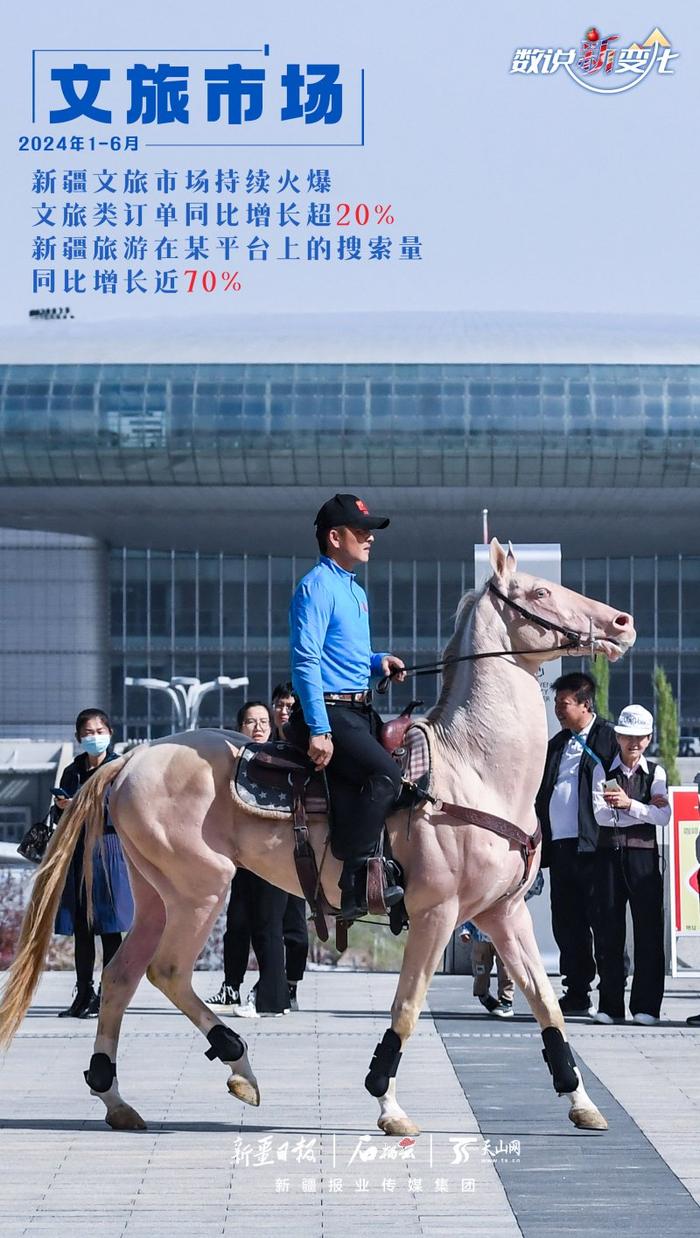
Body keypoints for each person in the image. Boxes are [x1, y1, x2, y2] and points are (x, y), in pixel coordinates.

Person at [287, 492, 418, 920]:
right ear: (334, 537)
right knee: (386, 775)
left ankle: (391, 869)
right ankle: (353, 879)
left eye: (370, 532)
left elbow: (342, 654)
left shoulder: (353, 590)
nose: (370, 539)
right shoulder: (317, 587)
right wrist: (319, 729)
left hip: (357, 709)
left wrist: (378, 661)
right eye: (362, 532)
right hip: (329, 712)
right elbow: (306, 660)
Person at [535, 672, 618, 1016]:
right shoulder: (556, 744)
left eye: (564, 703)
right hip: (563, 848)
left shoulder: (609, 739)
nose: (558, 709)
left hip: (597, 846)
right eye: (555, 703)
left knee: (603, 920)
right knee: (567, 921)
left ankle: (612, 994)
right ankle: (577, 990)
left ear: (585, 704)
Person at [206, 700, 290, 1017]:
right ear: (240, 728)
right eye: (250, 722)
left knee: (268, 925)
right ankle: (231, 987)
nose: (257, 727)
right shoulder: (233, 762)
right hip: (242, 857)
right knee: (238, 923)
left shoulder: (281, 759)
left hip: (275, 856)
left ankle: (273, 996)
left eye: (263, 722)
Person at [591, 705, 670, 1025]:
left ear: (649, 739)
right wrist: (641, 810)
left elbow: (663, 816)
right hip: (608, 857)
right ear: (618, 736)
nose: (633, 743)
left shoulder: (656, 773)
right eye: (627, 737)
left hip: (644, 859)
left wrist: (627, 805)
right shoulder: (603, 771)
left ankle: (647, 1007)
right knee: (609, 930)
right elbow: (600, 815)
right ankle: (610, 1005)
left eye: (640, 737)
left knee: (649, 932)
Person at [54, 709, 134, 1018]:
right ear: (78, 738)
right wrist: (64, 807)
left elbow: (122, 810)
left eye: (100, 730)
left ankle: (108, 993)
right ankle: (83, 990)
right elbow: (62, 817)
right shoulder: (73, 770)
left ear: (111, 732)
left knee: (110, 928)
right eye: (88, 732)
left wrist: (85, 806)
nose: (94, 737)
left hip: (109, 850)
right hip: (78, 851)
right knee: (83, 928)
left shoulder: (118, 768)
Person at [272, 681, 309, 1012]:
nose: (283, 711)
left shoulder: (309, 747)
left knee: (295, 925)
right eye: (279, 705)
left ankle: (292, 984)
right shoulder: (265, 749)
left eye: (290, 707)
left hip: (298, 848)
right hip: (262, 847)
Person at [459, 921, 514, 1017]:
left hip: (503, 936)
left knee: (505, 968)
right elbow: (470, 910)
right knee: (480, 970)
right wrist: (465, 930)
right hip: (481, 937)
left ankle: (506, 1000)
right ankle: (483, 995)